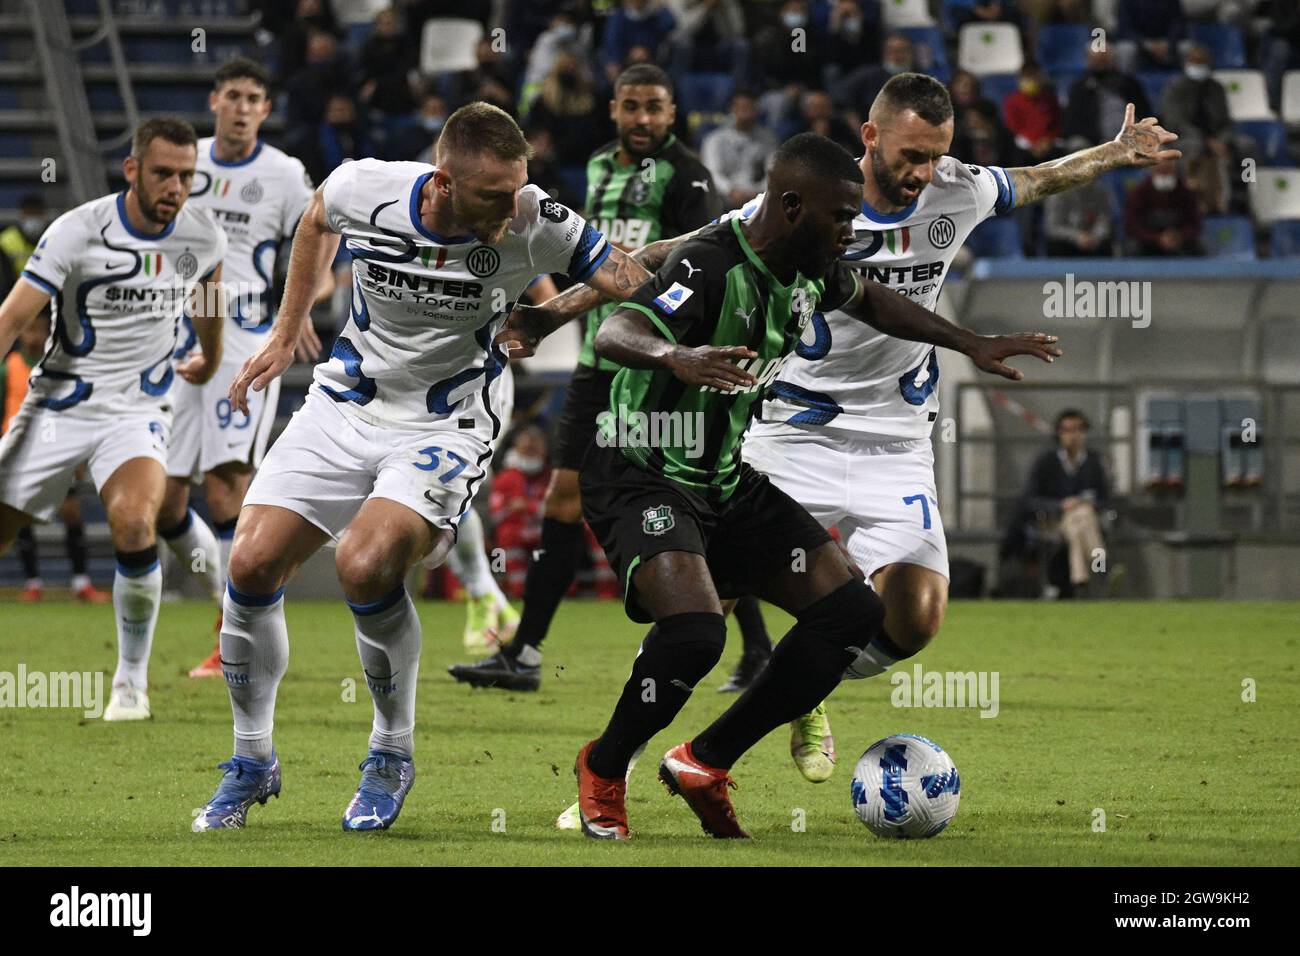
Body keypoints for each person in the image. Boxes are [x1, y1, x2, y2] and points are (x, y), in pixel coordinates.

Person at [545, 74, 1177, 816]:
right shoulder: (799, 207)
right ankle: (617, 763)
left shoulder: (954, 192)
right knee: (699, 612)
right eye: (912, 154)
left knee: (909, 619)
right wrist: (554, 312)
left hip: (895, 438)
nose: (924, 174)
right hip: (788, 428)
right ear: (870, 137)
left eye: (937, 157)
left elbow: (1034, 180)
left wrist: (1113, 152)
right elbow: (658, 257)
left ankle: (784, 695)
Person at [571, 132, 1062, 840]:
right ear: (793, 206)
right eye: (840, 218)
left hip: (724, 480)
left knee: (851, 615)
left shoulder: (811, 269)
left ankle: (704, 762)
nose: (851, 232)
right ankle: (604, 766)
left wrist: (971, 344)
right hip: (641, 475)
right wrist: (675, 355)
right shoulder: (707, 264)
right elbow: (618, 327)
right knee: (698, 634)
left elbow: (876, 303)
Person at [191, 102, 651, 833]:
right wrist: (287, 331)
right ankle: (252, 760)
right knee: (247, 564)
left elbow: (627, 275)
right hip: (345, 401)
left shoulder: (536, 216)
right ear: (442, 182)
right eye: (494, 196)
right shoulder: (363, 187)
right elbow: (316, 219)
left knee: (367, 565)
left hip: (448, 418)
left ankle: (390, 751)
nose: (513, 207)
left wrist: (630, 316)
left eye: (518, 189)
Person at [448, 65, 744, 694]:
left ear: (672, 112)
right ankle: (525, 653)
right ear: (612, 108)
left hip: (655, 364)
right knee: (562, 495)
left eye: (655, 108)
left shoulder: (690, 176)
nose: (642, 119)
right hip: (596, 359)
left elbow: (693, 261)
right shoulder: (601, 164)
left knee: (702, 507)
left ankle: (759, 649)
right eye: (631, 106)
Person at [0, 117, 227, 720]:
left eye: (186, 175)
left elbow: (207, 295)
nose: (175, 187)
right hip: (60, 404)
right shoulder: (77, 231)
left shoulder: (202, 237)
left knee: (134, 521)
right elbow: (9, 320)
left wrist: (212, 359)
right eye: (162, 173)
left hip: (138, 409)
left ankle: (130, 685)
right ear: (132, 170)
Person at [166, 57, 329, 679]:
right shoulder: (189, 159)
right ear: (214, 101)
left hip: (245, 337)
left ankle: (235, 634)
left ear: (265, 109)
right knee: (164, 501)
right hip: (175, 330)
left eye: (253, 97)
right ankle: (224, 603)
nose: (241, 106)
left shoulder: (284, 174)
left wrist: (299, 303)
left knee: (228, 480)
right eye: (232, 95)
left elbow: (325, 228)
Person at [2, 308, 108, 603]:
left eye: (39, 330)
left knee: (71, 513)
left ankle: (81, 582)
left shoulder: (61, 366)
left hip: (57, 448)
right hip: (18, 453)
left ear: (49, 331)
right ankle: (33, 582)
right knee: (18, 516)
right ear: (20, 331)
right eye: (27, 330)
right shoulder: (8, 367)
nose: (33, 336)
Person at [1016, 409, 1111, 598]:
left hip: (1084, 520)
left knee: (1080, 520)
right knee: (1080, 519)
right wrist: (1060, 505)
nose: (1073, 436)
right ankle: (1100, 569)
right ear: (1059, 434)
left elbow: (1104, 498)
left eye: (1078, 430)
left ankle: (1079, 580)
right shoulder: (1046, 462)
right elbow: (1029, 500)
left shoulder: (1093, 462)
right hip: (1053, 521)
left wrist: (1087, 504)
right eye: (1067, 430)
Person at [701, 90, 778, 209]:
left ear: (757, 110)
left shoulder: (768, 138)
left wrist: (758, 192)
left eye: (749, 107)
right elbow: (712, 173)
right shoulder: (714, 139)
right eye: (741, 107)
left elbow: (773, 172)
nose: (745, 112)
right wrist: (730, 190)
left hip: (757, 196)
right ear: (732, 109)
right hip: (724, 197)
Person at [1124, 158, 1202, 256]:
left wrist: (1179, 236)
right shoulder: (1138, 193)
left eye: (1168, 171)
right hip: (1147, 243)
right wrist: (1157, 238)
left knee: (1197, 248)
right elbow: (1132, 227)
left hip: (1179, 242)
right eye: (1161, 171)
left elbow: (1195, 224)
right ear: (1152, 170)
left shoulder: (1186, 192)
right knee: (1133, 247)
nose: (1164, 175)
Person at [0, 194, 48, 296]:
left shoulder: (53, 239)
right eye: (30, 214)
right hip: (12, 295)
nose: (33, 218)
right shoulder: (5, 240)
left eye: (37, 214)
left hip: (46, 296)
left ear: (44, 216)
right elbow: (5, 279)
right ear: (22, 215)